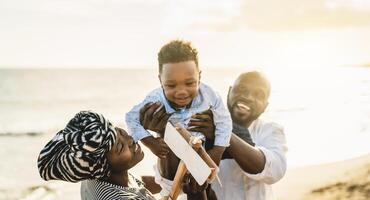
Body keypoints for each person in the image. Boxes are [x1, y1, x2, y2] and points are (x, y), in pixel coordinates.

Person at [141, 71, 288, 199]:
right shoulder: (199, 123)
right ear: (230, 92)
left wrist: (222, 132)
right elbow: (170, 181)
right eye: (241, 90)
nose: (248, 97)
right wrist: (163, 131)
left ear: (265, 107)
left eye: (258, 95)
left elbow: (274, 171)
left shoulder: (271, 130)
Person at [125, 40, 232, 197]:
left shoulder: (209, 95)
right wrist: (150, 142)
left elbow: (224, 121)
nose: (181, 91)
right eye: (171, 85)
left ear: (199, 76)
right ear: (160, 80)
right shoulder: (155, 99)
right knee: (171, 190)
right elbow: (130, 118)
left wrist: (218, 150)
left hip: (200, 153)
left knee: (205, 186)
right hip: (170, 158)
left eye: (190, 83)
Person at [37, 111, 156, 200]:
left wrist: (166, 179)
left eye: (120, 132)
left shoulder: (97, 177)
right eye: (120, 147)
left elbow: (138, 184)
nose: (130, 140)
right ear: (103, 168)